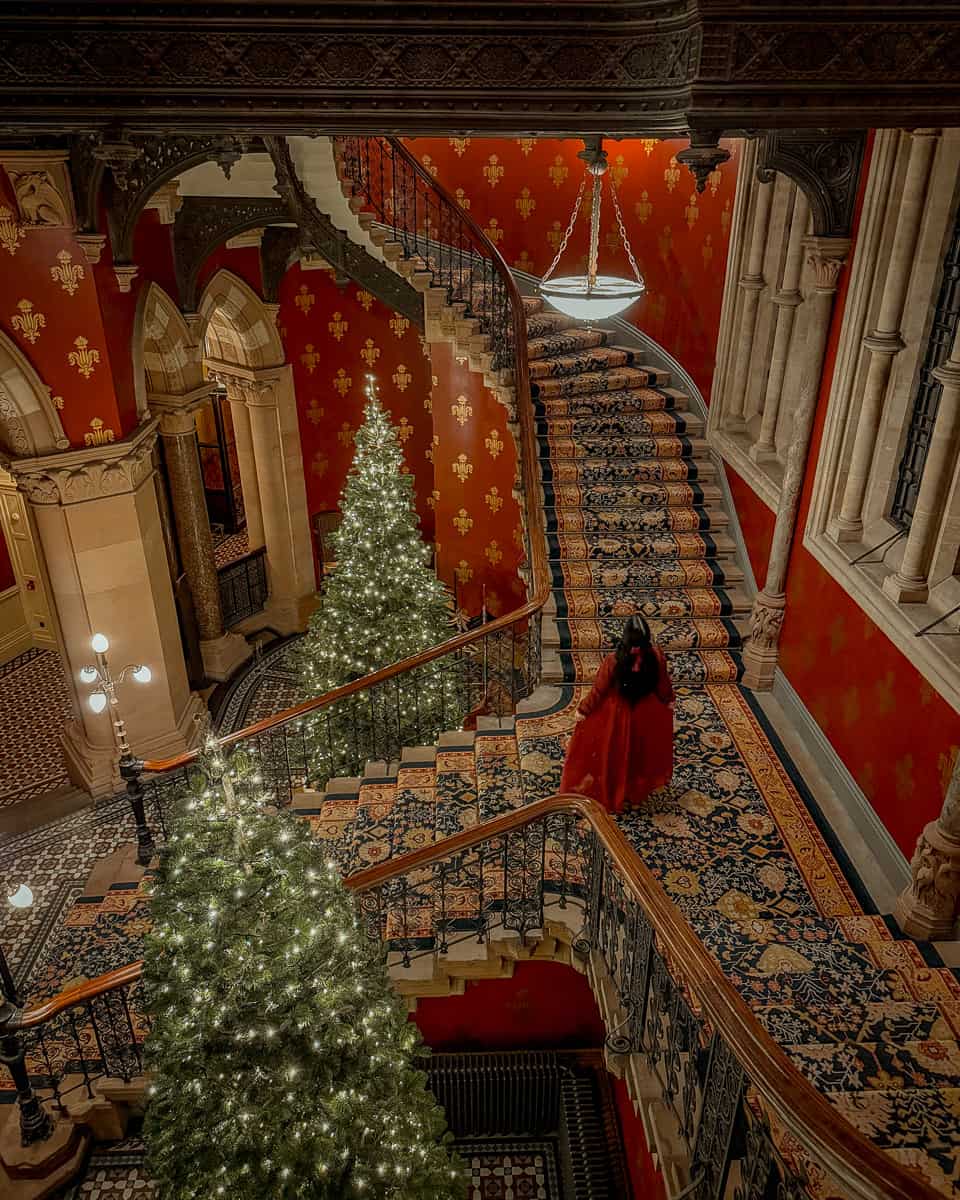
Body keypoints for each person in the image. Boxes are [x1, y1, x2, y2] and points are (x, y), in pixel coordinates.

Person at [560, 615, 675, 813]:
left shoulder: (613, 661)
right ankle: (633, 788)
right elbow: (662, 685)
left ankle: (615, 788)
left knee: (615, 753)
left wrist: (583, 710)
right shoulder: (656, 656)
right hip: (645, 714)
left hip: (617, 715)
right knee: (638, 753)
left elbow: (599, 690)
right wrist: (668, 700)